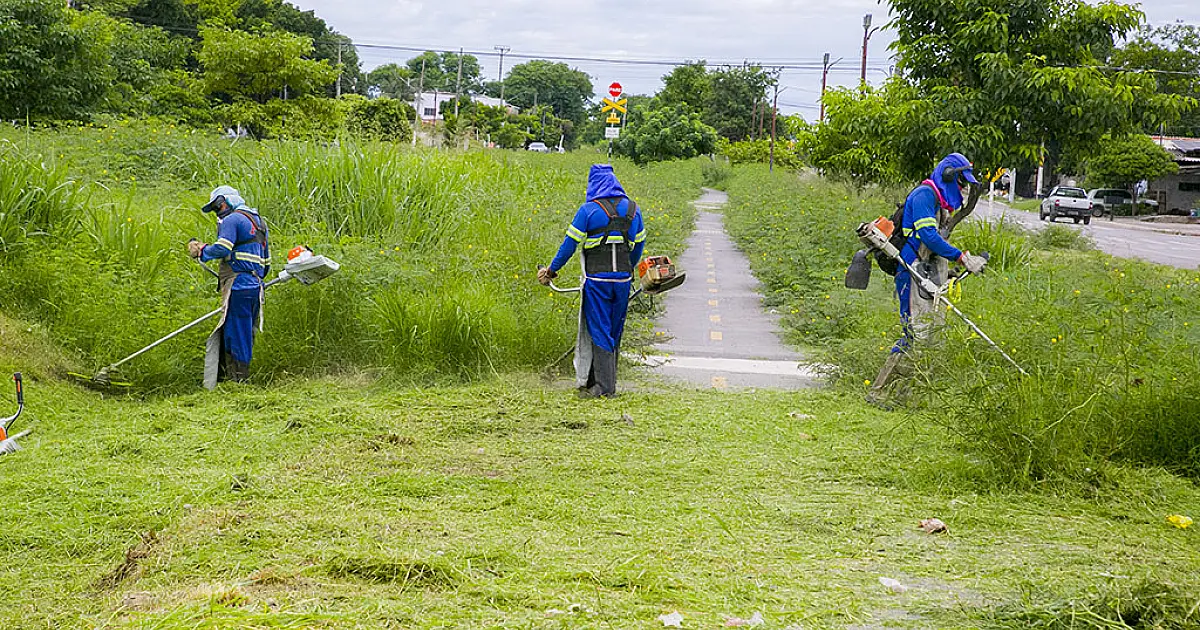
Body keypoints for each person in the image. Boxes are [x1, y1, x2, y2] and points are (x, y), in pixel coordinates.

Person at [870, 153, 986, 400]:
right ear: (948, 177)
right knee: (914, 333)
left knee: (929, 336)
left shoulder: (938, 203)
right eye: (960, 183)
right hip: (910, 272)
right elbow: (928, 237)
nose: (962, 190)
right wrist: (962, 257)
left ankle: (909, 394)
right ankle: (878, 392)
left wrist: (949, 272)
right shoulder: (924, 196)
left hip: (925, 274)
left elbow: (933, 247)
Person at [539, 164, 646, 398]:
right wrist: (629, 269)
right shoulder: (634, 211)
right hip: (623, 280)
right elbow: (638, 247)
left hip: (597, 280)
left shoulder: (588, 211)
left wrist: (551, 271)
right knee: (614, 329)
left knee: (599, 329)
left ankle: (604, 388)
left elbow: (568, 246)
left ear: (594, 185)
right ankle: (597, 381)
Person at [188, 186, 270, 388]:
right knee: (244, 333)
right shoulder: (259, 222)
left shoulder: (232, 220)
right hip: (256, 286)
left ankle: (238, 382)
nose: (218, 211)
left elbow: (224, 247)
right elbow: (266, 264)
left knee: (236, 332)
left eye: (218, 205)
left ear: (227, 200)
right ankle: (229, 378)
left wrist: (202, 251)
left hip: (239, 285)